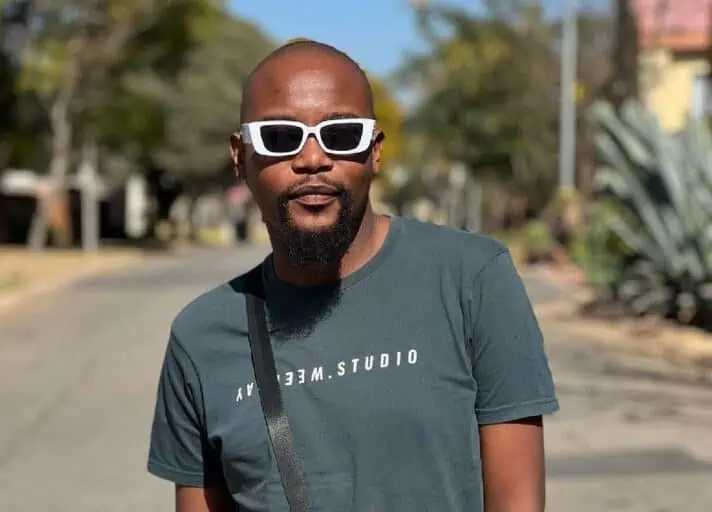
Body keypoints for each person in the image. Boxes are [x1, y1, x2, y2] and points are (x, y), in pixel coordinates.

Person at [147, 39, 559, 512]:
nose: (313, 158)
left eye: (341, 135)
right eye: (280, 137)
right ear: (241, 157)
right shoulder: (201, 338)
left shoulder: (472, 279)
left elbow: (517, 501)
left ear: (375, 151)